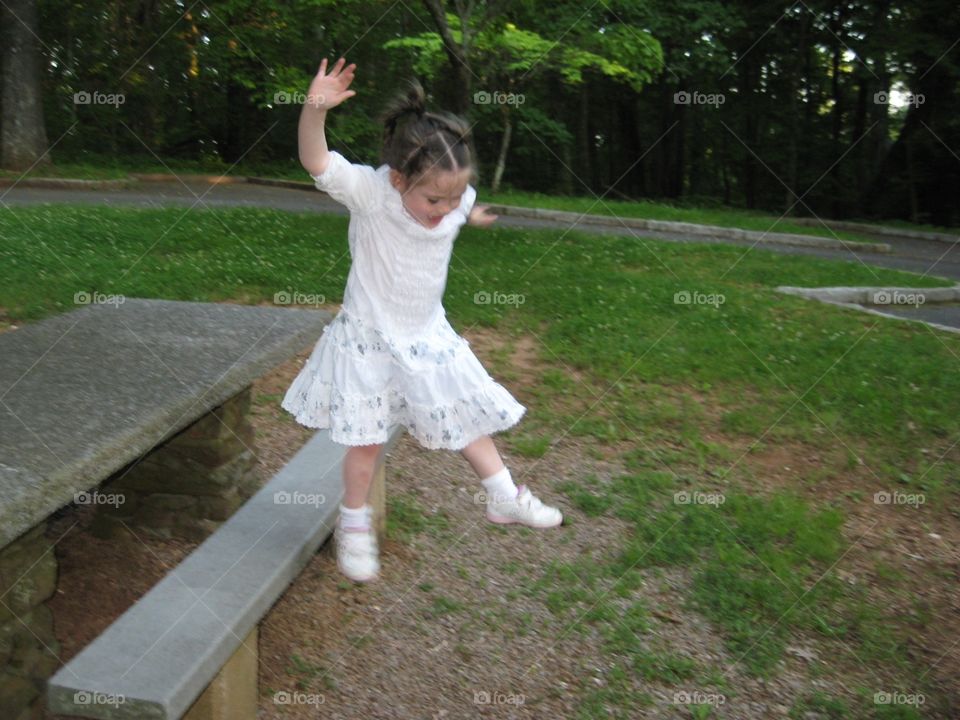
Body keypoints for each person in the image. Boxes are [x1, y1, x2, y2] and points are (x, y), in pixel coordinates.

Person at [281, 57, 562, 583]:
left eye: (455, 198)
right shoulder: (370, 195)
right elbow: (316, 161)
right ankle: (354, 523)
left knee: (465, 418)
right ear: (398, 178)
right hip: (369, 339)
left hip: (426, 335)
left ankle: (503, 497)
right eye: (435, 198)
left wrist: (470, 213)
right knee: (366, 444)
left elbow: (461, 202)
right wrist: (314, 108)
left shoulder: (455, 196)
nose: (446, 208)